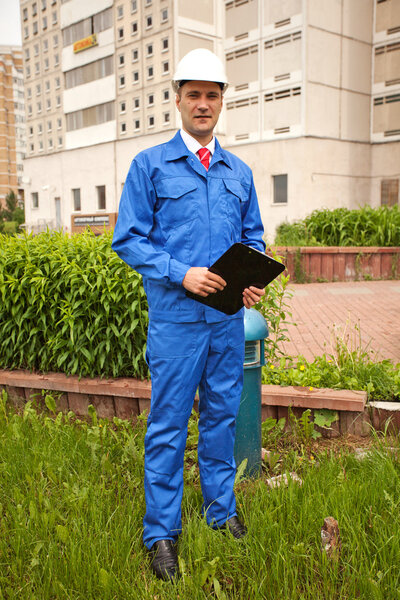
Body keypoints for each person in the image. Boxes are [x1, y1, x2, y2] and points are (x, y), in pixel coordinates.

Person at [111, 48, 266, 581]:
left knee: (222, 418)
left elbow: (253, 237)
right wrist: (181, 272)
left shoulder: (239, 171)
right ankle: (162, 533)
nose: (203, 104)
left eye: (213, 94)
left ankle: (220, 513)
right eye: (194, 94)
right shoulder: (149, 166)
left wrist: (247, 282)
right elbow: (127, 239)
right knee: (168, 426)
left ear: (223, 101)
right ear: (176, 99)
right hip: (176, 322)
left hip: (224, 321)